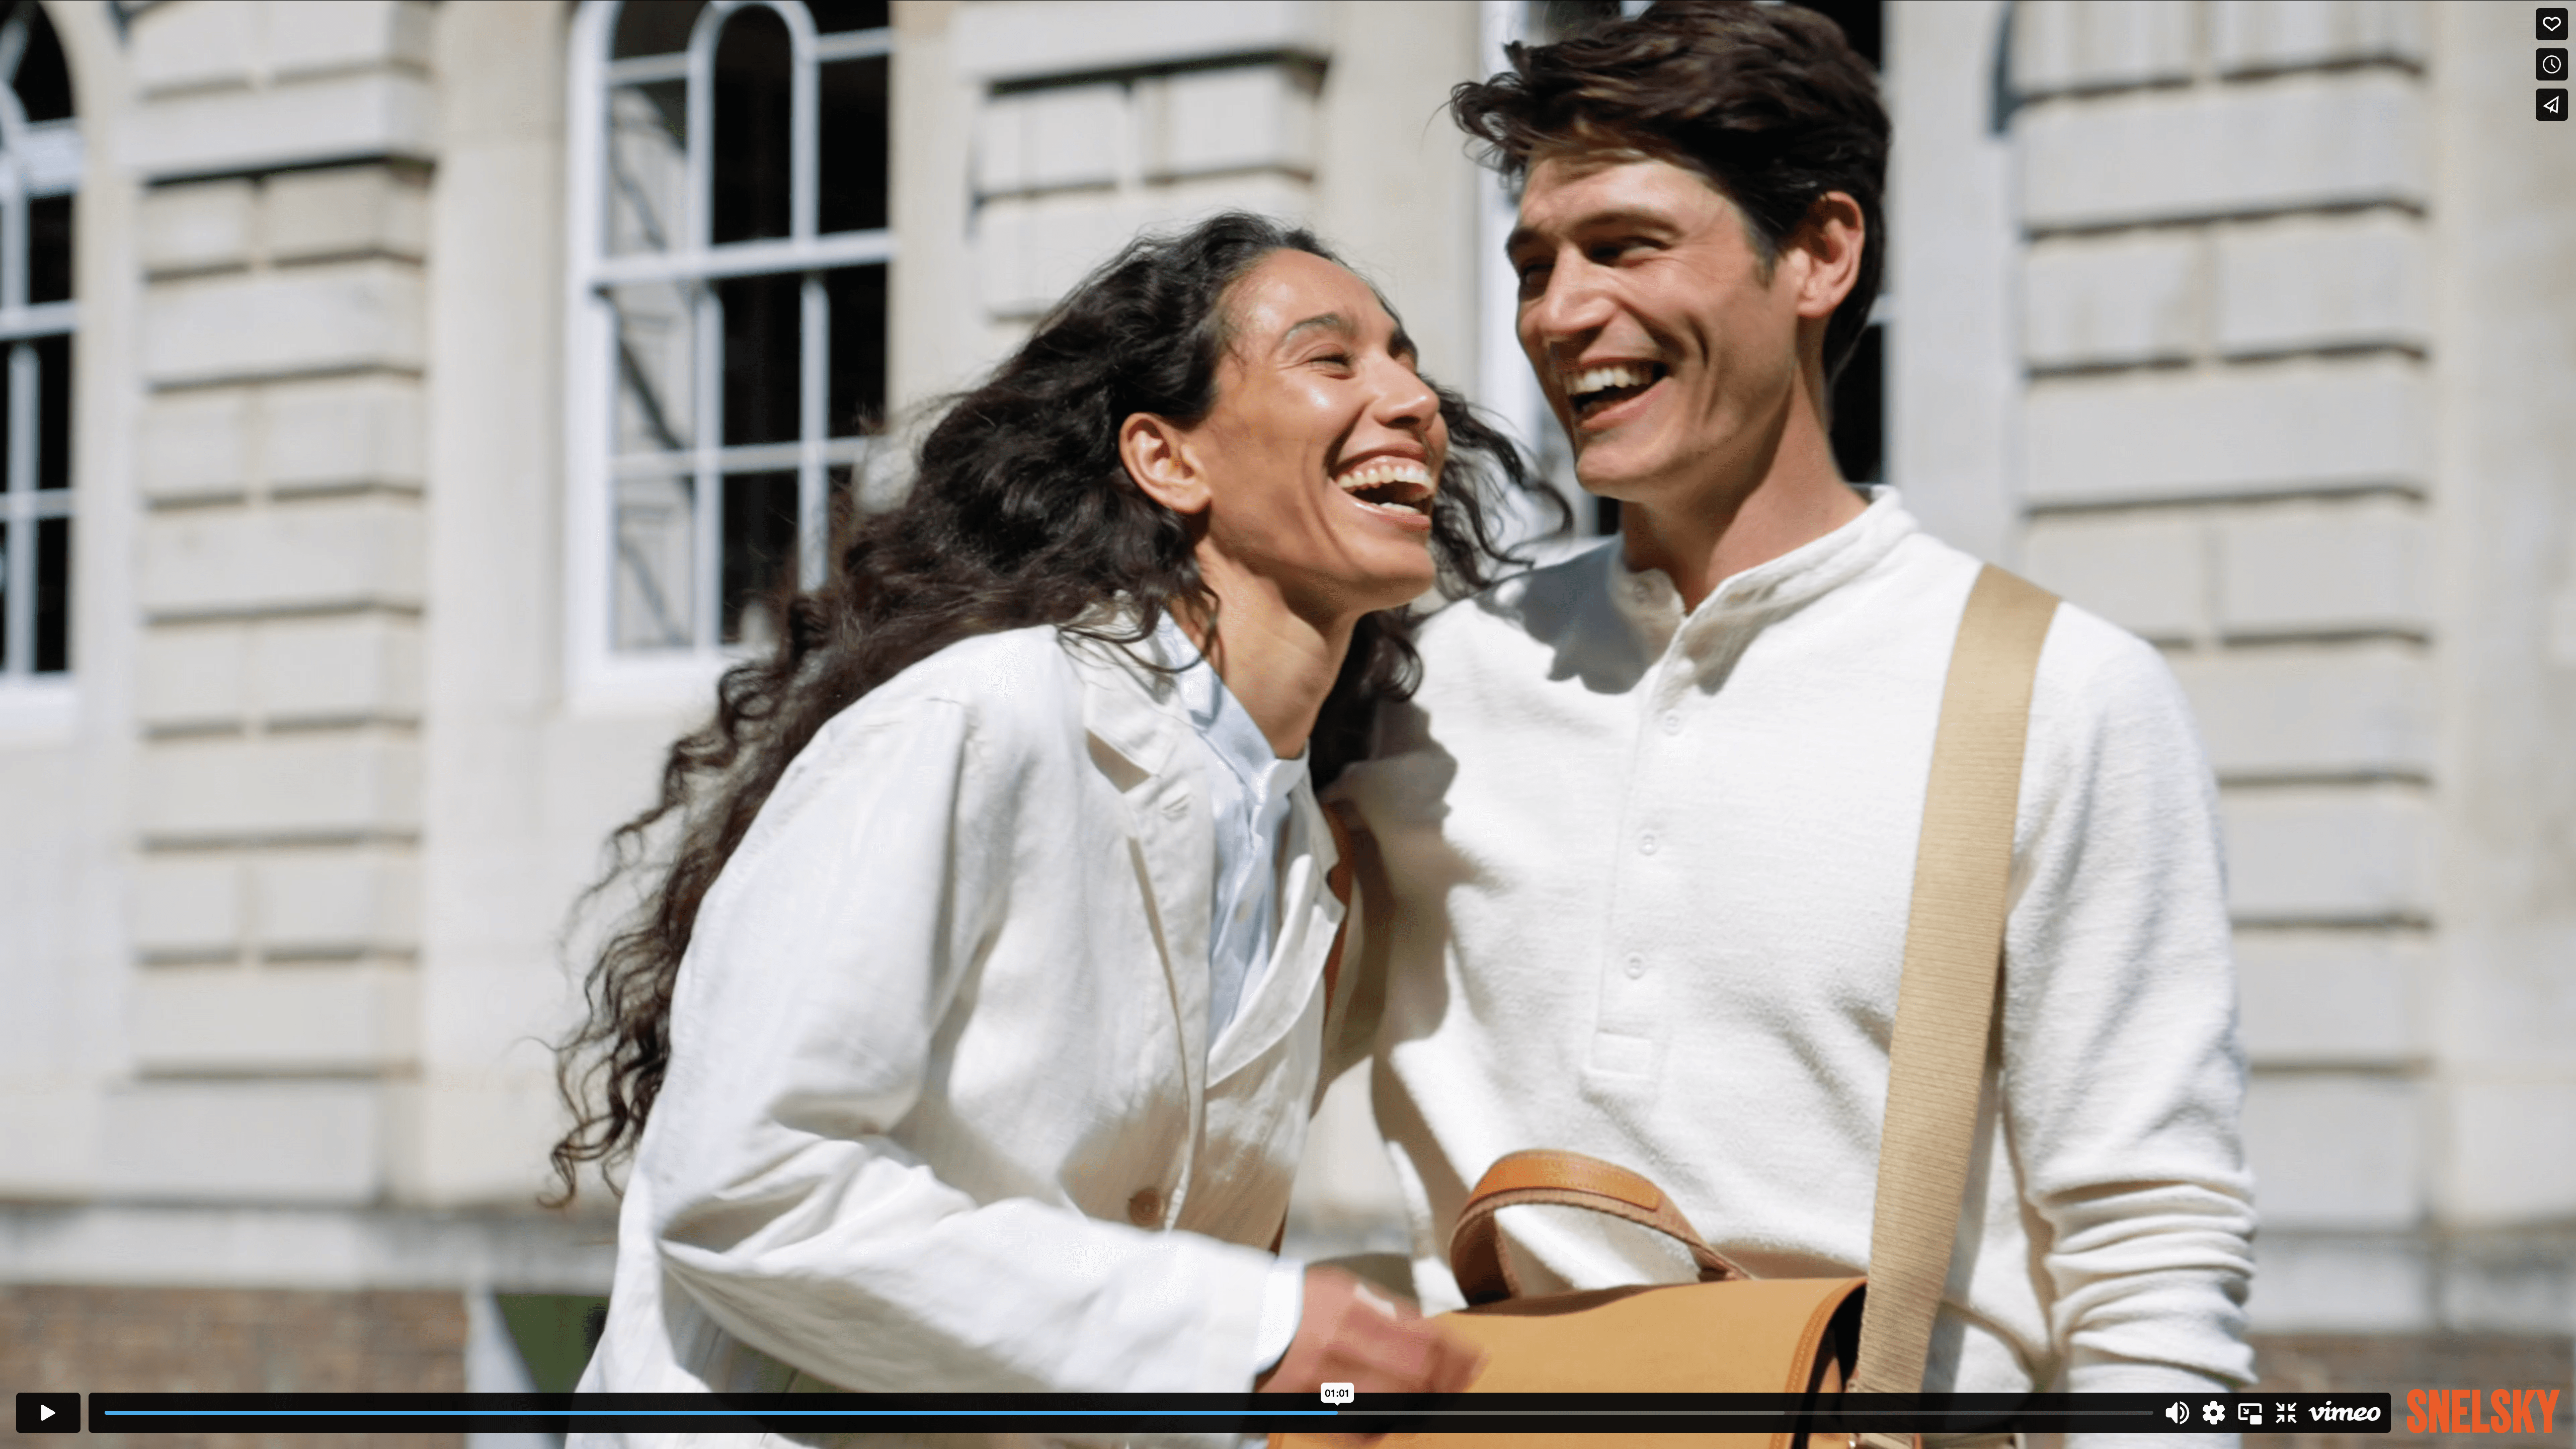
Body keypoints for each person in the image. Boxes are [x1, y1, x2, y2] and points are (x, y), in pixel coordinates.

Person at [1327, 1, 2258, 1400]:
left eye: (1626, 246)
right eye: (1535, 263)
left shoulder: (2058, 694)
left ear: (1821, 253)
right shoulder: (1428, 679)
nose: (1560, 313)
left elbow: (2149, 1252)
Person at [544, 213, 1506, 1418]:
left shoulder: (1304, 852)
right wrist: (1247, 1328)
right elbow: (748, 1189)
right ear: (1167, 460)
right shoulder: (976, 718)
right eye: (1332, 359)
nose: (1412, 400)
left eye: (1407, 360)